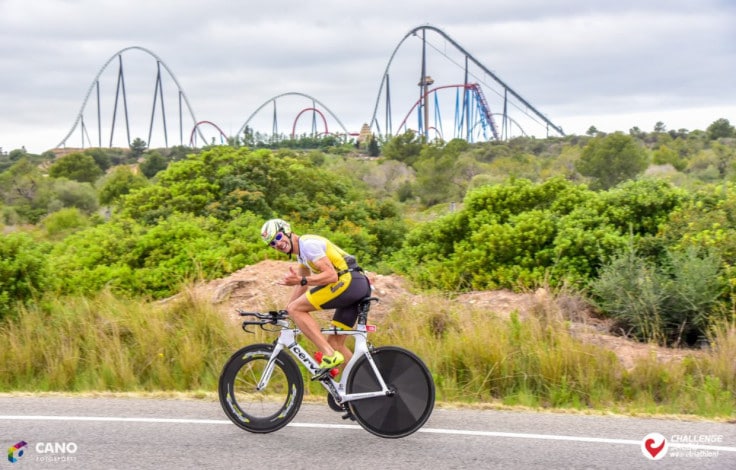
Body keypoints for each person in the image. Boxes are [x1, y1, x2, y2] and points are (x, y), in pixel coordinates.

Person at [261, 218, 372, 373]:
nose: (277, 244)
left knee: (297, 309)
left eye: (278, 237)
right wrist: (286, 314)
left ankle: (329, 354)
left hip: (349, 282)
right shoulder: (301, 255)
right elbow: (303, 285)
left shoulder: (307, 244)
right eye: (272, 243)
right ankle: (364, 383)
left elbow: (331, 276)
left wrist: (298, 287)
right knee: (335, 342)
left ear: (287, 231)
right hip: (357, 285)